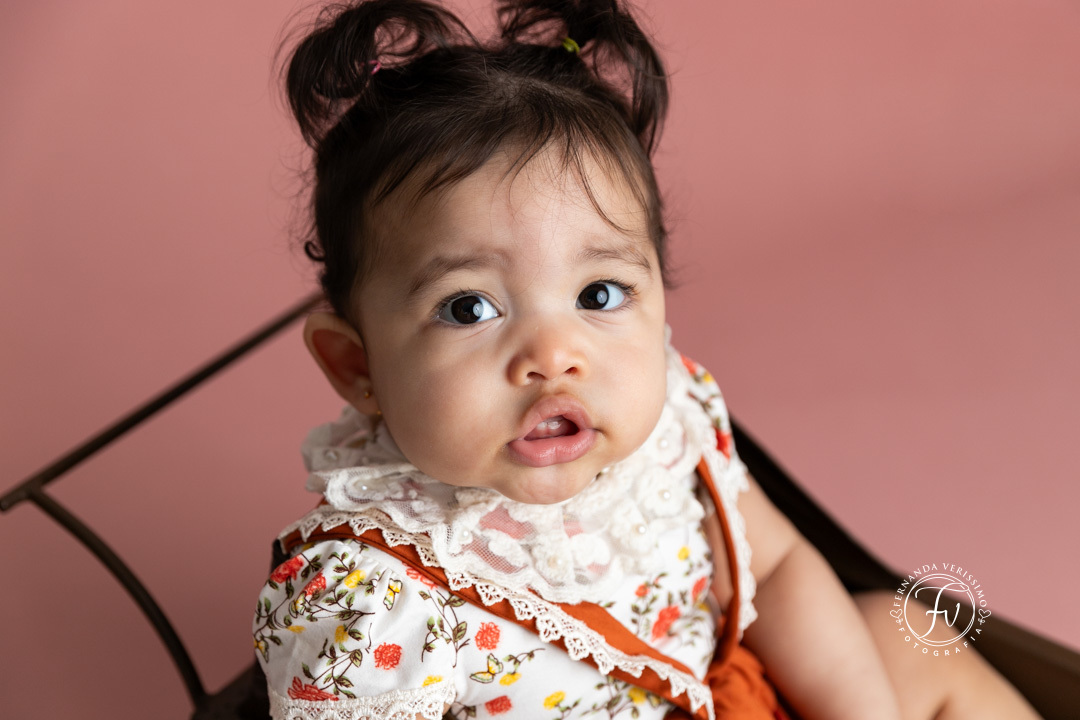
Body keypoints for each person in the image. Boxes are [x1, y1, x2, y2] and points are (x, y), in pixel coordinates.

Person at [252, 1, 1041, 718]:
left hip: (729, 695)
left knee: (904, 636)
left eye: (598, 294)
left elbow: (774, 569)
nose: (555, 356)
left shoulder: (661, 427)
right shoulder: (374, 599)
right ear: (356, 367)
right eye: (469, 308)